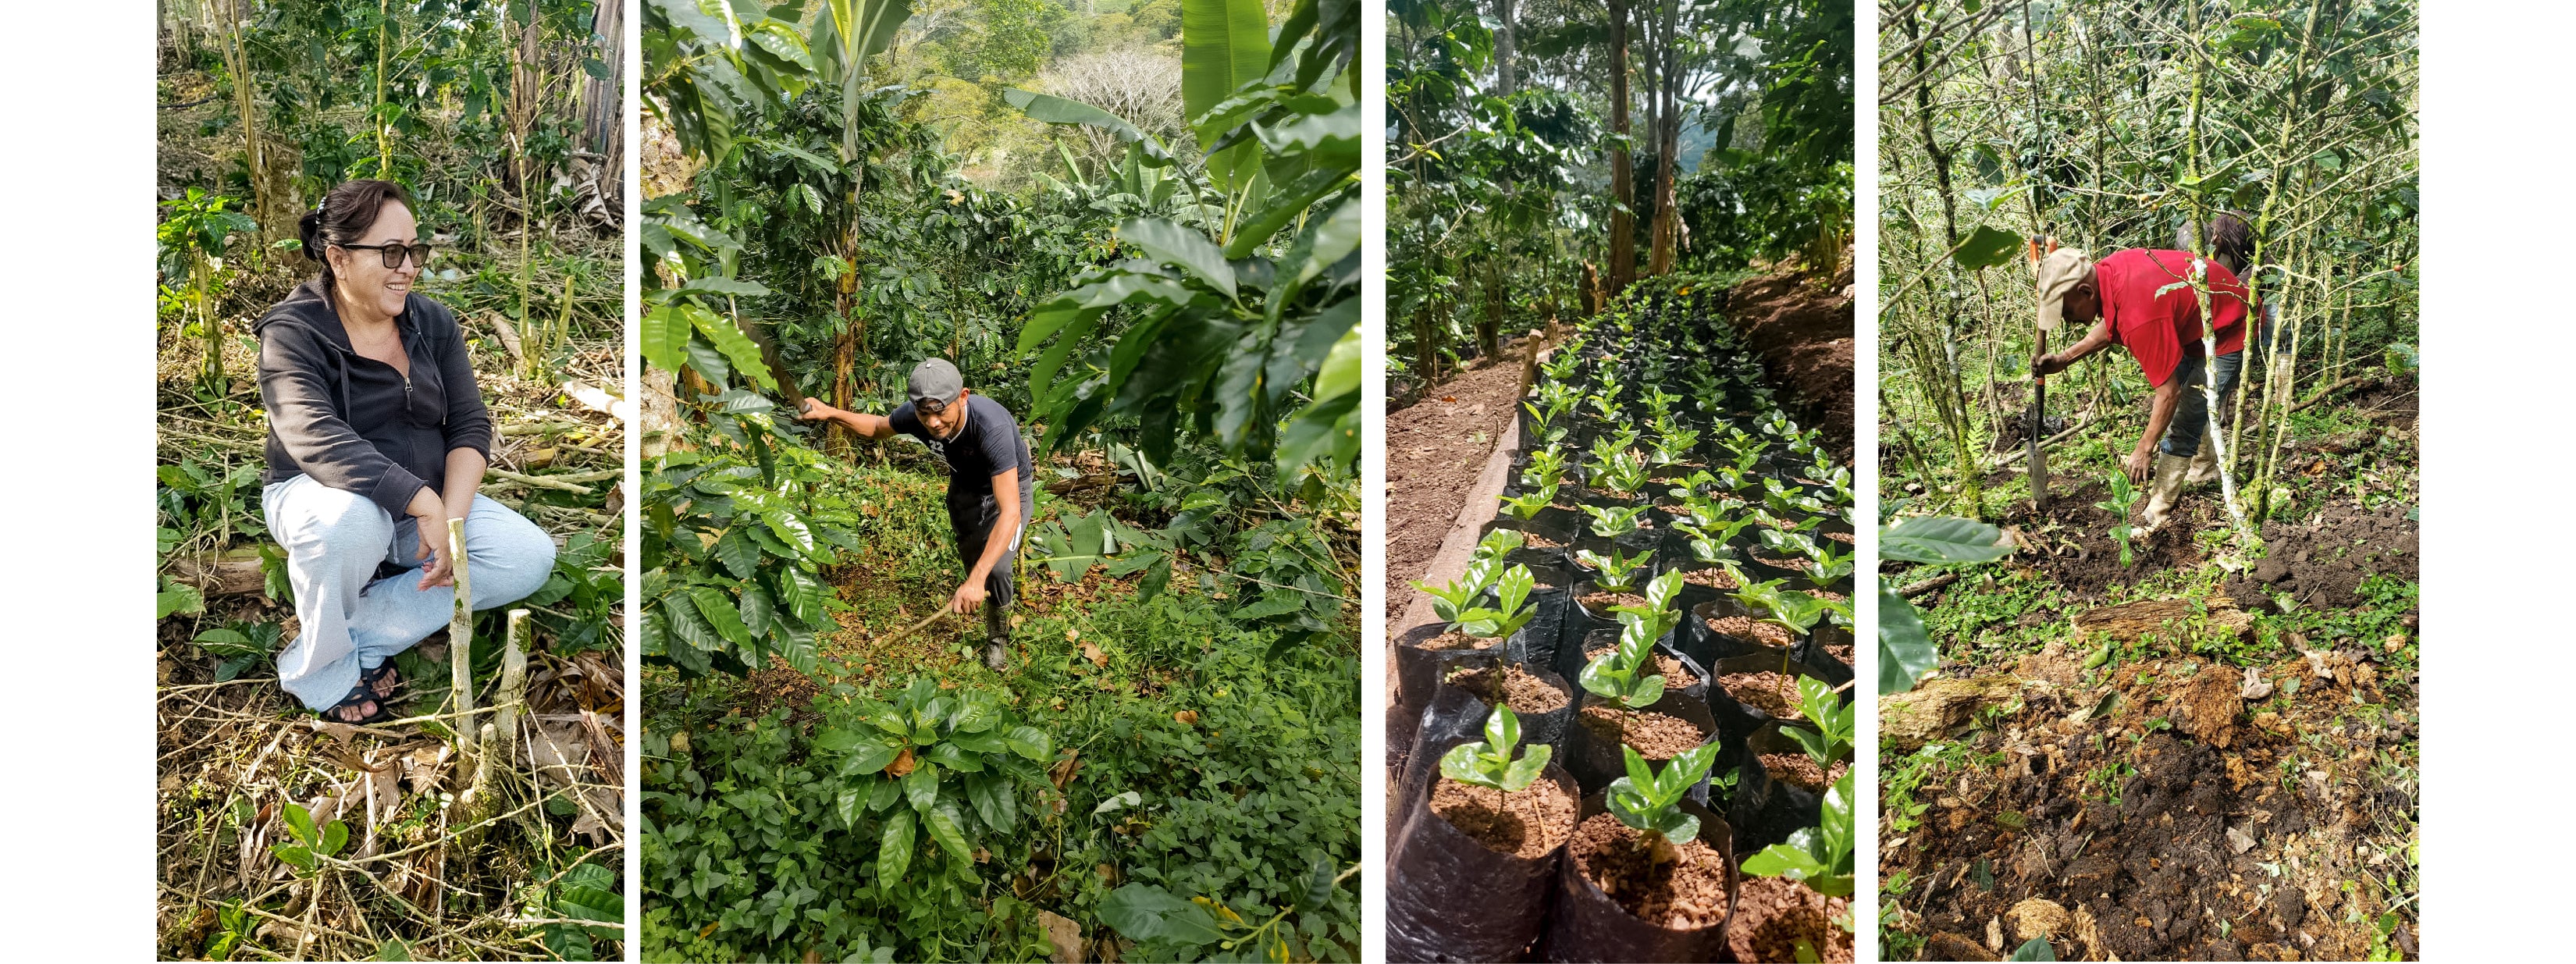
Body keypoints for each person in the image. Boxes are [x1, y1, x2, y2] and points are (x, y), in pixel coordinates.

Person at [256, 180, 557, 724]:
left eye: (415, 250)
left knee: (528, 556)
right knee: (351, 525)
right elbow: (310, 433)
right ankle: (321, 673)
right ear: (339, 259)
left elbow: (469, 424)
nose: (409, 267)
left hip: (424, 503)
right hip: (323, 496)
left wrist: (452, 521)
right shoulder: (293, 330)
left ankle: (357, 635)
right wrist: (421, 500)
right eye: (391, 252)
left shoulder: (433, 324)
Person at [799, 360, 1034, 671]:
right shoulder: (917, 416)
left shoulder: (992, 428)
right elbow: (877, 427)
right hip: (965, 485)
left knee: (997, 569)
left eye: (941, 412)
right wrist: (829, 412)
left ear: (963, 396)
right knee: (974, 552)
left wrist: (978, 579)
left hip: (1009, 488)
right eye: (925, 414)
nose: (934, 423)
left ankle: (997, 638)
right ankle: (977, 586)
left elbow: (1010, 512)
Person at [2029, 233, 2257, 534]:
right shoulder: (2109, 272)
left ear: (2085, 292)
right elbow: (2112, 322)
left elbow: (2168, 392)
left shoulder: (2140, 317)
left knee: (2186, 414)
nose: (2068, 321)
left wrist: (2144, 447)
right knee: (2194, 402)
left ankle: (2160, 506)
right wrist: (2066, 357)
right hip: (2195, 327)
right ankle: (2203, 469)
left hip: (2231, 329)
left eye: (2067, 312)